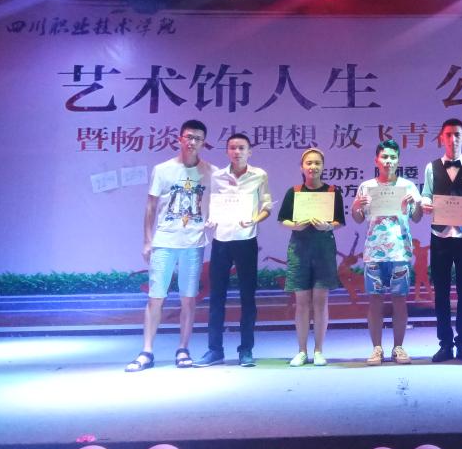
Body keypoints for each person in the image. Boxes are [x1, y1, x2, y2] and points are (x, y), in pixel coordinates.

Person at [126, 119, 218, 372]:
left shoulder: (211, 172)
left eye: (198, 138)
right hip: (164, 241)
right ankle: (146, 351)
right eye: (188, 137)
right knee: (156, 297)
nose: (192, 142)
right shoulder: (163, 170)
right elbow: (150, 207)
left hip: (194, 242)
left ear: (203, 143)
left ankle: (183, 349)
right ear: (179, 138)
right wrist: (147, 240)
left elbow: (221, 202)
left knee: (188, 299)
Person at [195, 133, 273, 368]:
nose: (237, 152)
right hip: (221, 240)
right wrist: (210, 219)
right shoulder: (217, 176)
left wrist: (255, 220)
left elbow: (267, 206)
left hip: (246, 240)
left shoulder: (259, 175)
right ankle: (214, 350)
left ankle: (246, 349)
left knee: (247, 297)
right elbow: (211, 204)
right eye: (232, 148)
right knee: (216, 296)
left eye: (241, 148)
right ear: (227, 151)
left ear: (249, 152)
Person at [350, 139, 424, 365]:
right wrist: (356, 206)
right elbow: (358, 218)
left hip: (400, 251)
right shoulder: (366, 187)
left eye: (392, 157)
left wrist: (416, 203)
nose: (388, 161)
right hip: (374, 251)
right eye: (384, 157)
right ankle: (377, 348)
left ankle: (398, 348)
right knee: (375, 300)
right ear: (376, 160)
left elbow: (417, 218)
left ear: (398, 160)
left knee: (400, 300)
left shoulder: (408, 187)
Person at [420, 119, 462, 362]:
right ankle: (445, 344)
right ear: (441, 138)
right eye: (448, 134)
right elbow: (426, 195)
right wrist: (425, 204)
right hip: (439, 237)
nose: (453, 139)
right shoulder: (431, 167)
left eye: (457, 134)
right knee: (441, 293)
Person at [278, 147, 345, 367]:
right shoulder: (294, 192)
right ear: (302, 167)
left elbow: (340, 221)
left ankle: (318, 351)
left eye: (317, 163)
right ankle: (301, 351)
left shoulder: (332, 191)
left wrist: (329, 226)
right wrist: (294, 225)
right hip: (299, 250)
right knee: (301, 302)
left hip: (323, 250)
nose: (313, 167)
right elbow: (282, 219)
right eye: (309, 163)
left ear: (323, 167)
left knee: (321, 301)